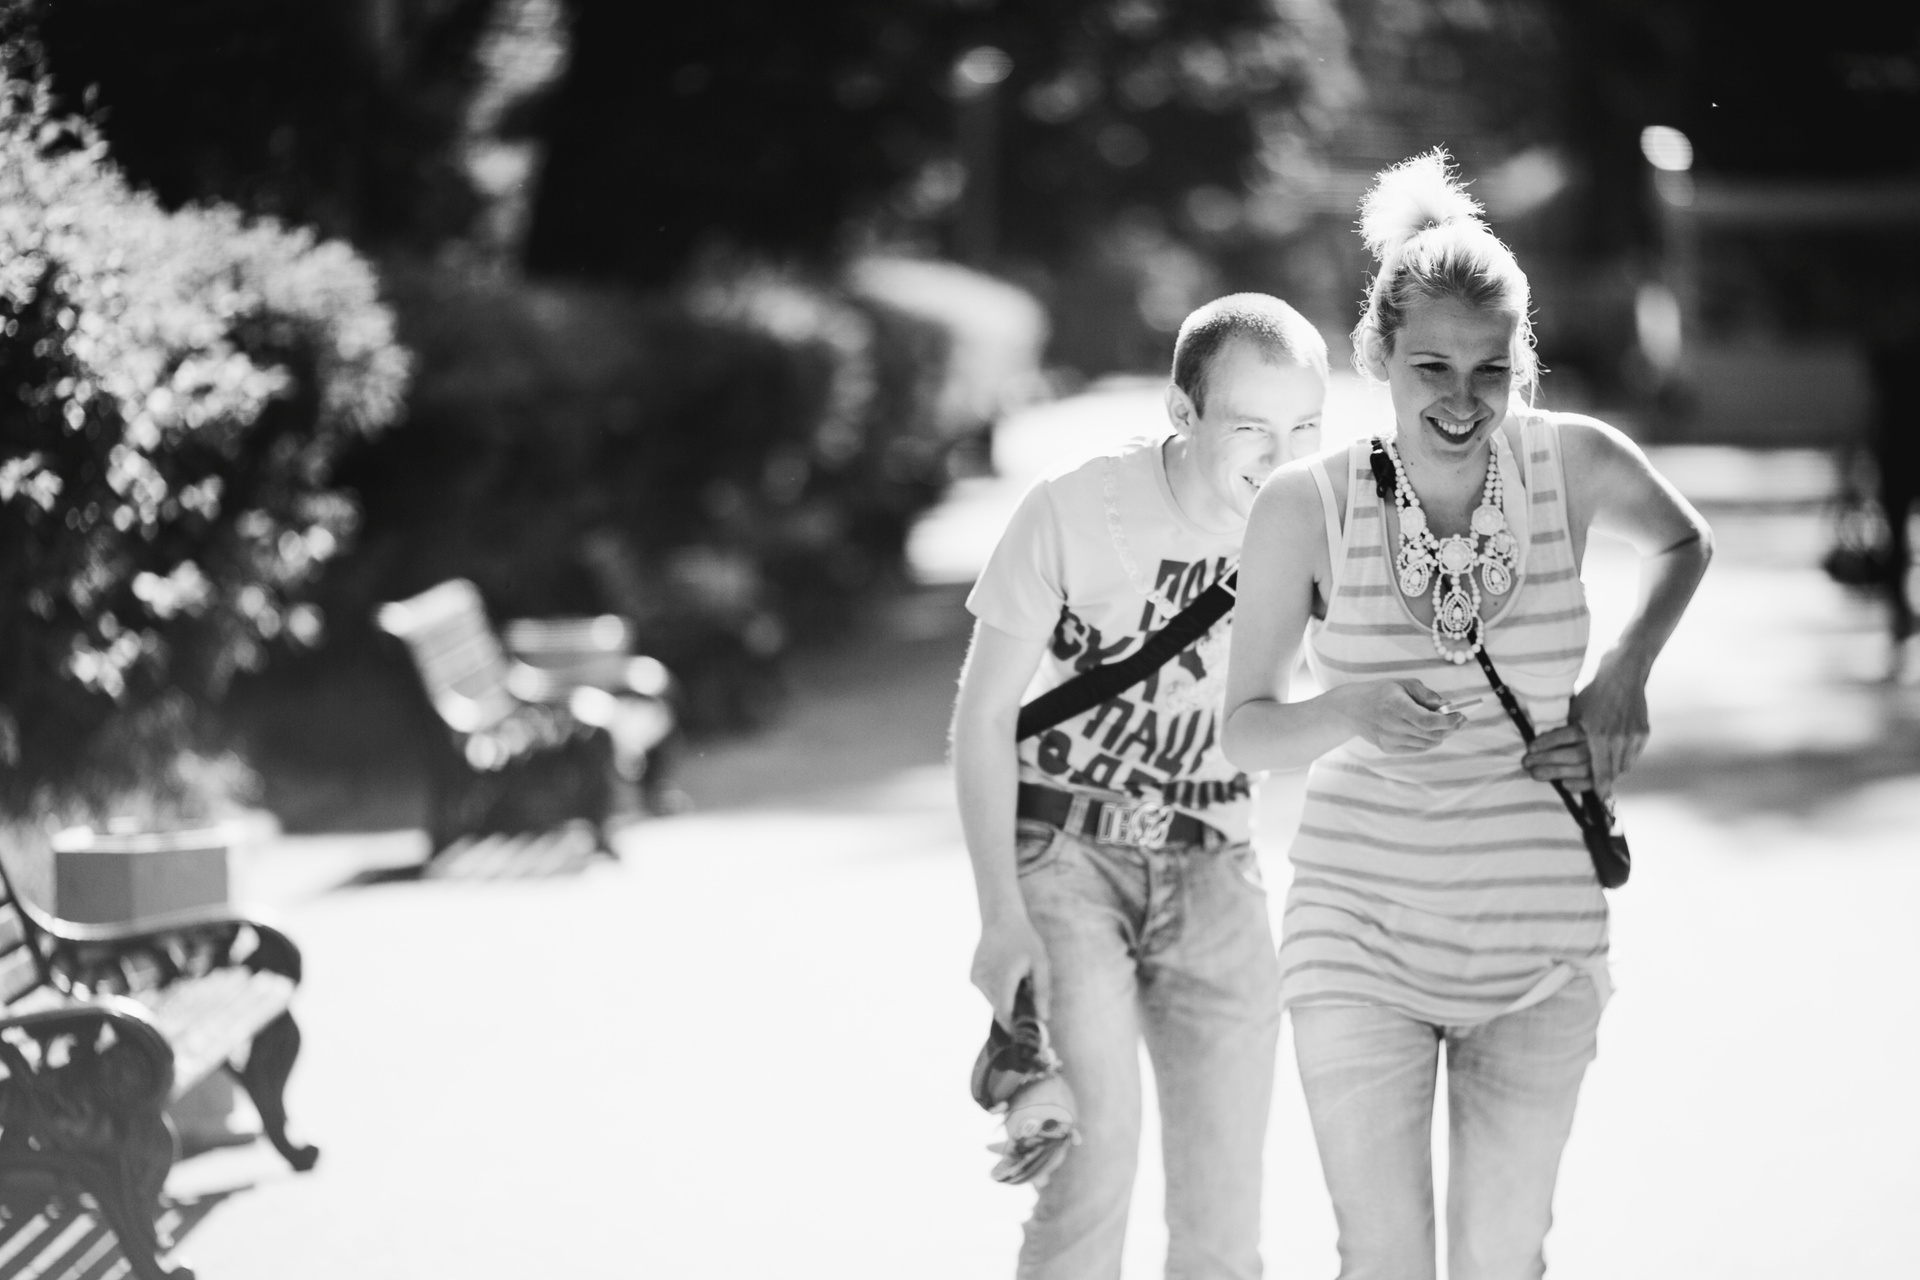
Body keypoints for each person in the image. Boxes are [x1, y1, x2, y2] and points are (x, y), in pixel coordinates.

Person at [1222, 151, 1713, 1280]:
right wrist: (1345, 708)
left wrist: (1623, 675)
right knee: (1384, 1258)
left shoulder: (1571, 462)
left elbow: (1686, 541)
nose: (1461, 399)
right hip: (1357, 937)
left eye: (1490, 369)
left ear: (1520, 361)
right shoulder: (1305, 505)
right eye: (1431, 367)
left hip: (1539, 945)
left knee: (1501, 1257)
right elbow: (1245, 728)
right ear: (1377, 356)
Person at [953, 293, 1328, 1279]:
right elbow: (983, 717)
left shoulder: (1325, 523)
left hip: (1219, 866)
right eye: (1251, 427)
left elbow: (1338, 709)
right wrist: (1000, 916)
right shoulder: (1074, 509)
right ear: (1182, 410)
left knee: (1223, 1224)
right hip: (1068, 858)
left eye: (1304, 427)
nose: (1281, 457)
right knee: (1089, 1173)